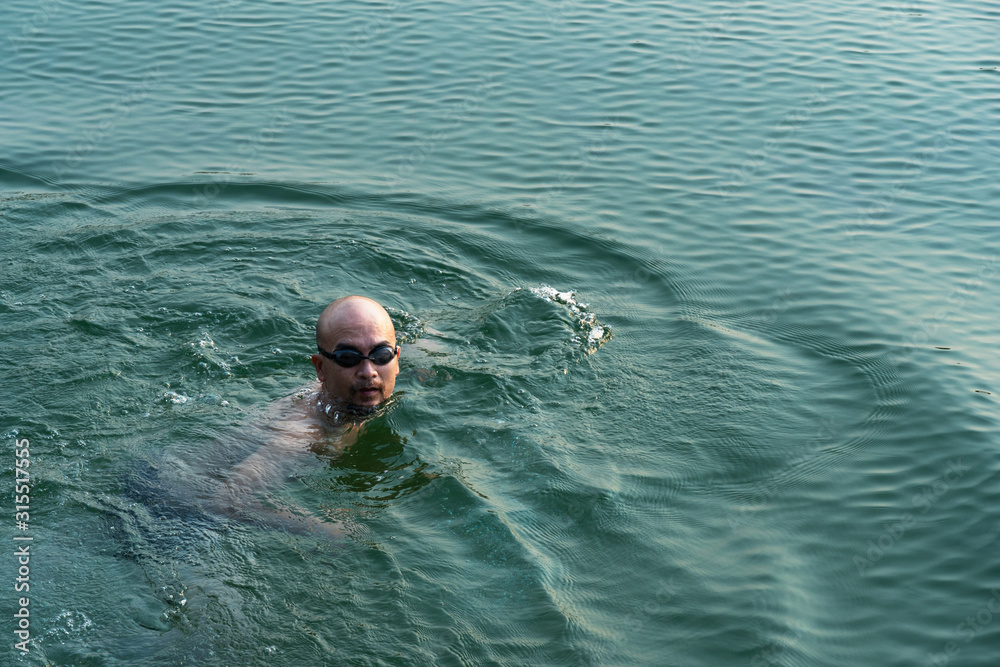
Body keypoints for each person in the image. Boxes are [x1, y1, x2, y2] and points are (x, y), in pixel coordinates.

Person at [310, 295, 401, 414]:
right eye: (348, 357)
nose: (368, 372)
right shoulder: (297, 430)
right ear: (320, 368)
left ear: (396, 361)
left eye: (382, 355)